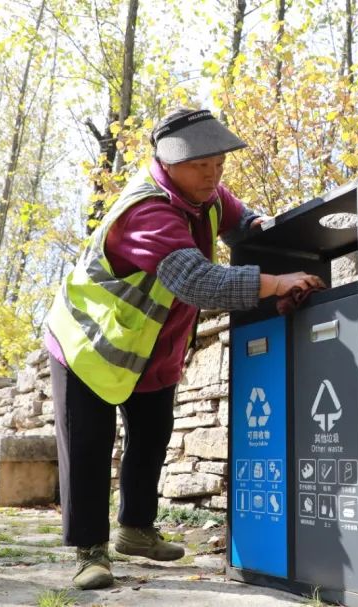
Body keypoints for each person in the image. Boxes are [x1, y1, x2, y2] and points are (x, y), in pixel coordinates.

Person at [44, 107, 325, 590]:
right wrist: (277, 282)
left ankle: (135, 531)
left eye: (218, 163)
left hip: (151, 349)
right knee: (89, 446)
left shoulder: (208, 194)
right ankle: (89, 551)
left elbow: (238, 221)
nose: (213, 174)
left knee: (151, 436)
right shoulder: (146, 212)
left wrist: (260, 225)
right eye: (201, 165)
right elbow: (199, 282)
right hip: (89, 343)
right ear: (168, 163)